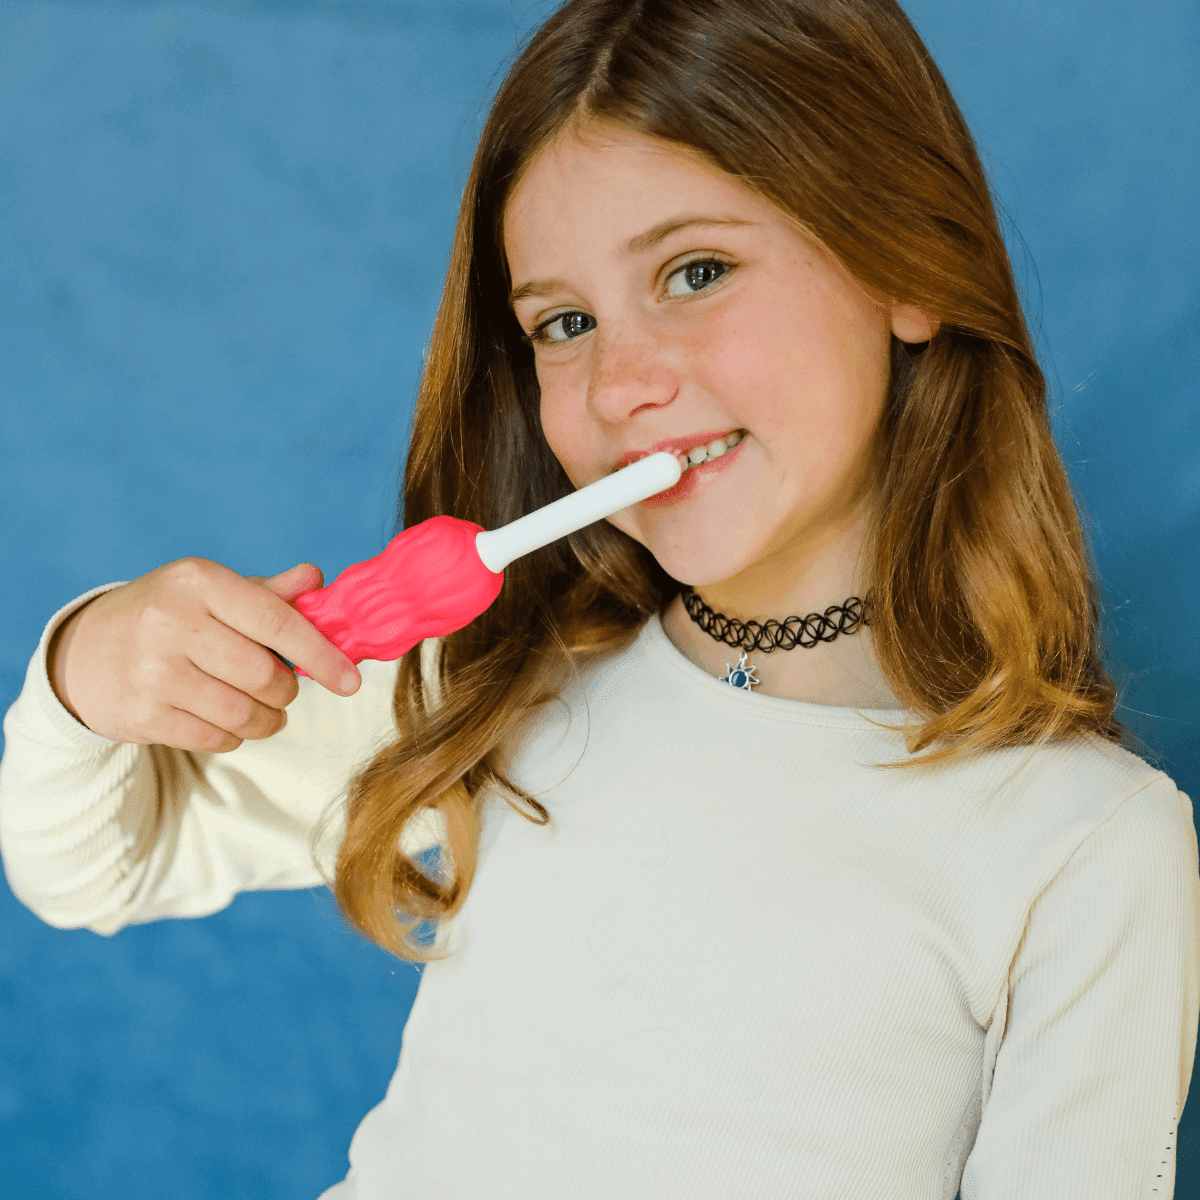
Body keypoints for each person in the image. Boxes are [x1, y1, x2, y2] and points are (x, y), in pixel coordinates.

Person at [1, 1, 1196, 1197]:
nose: (622, 384)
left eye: (697, 272)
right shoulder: (495, 687)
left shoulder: (1085, 849)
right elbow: (94, 864)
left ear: (903, 265)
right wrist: (95, 670)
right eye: (564, 323)